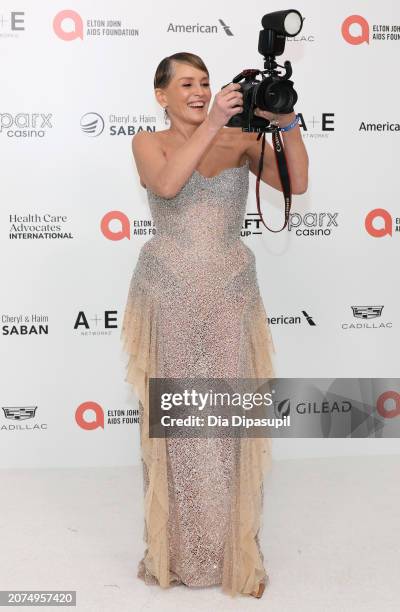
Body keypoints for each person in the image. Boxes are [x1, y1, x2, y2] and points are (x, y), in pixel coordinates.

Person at [120, 52, 308, 599]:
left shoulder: (242, 140)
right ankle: (179, 552)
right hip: (170, 290)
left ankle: (233, 550)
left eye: (205, 82)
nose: (199, 91)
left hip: (230, 289)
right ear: (162, 95)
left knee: (228, 418)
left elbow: (295, 180)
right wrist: (216, 124)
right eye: (186, 84)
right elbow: (169, 184)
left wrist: (287, 126)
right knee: (178, 421)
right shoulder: (147, 141)